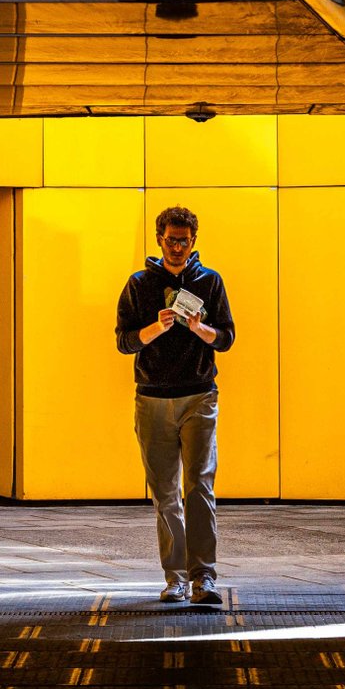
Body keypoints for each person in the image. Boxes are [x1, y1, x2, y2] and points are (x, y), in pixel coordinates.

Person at [116, 205, 235, 606]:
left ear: (194, 242)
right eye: (171, 239)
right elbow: (124, 341)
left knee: (200, 485)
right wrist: (156, 328)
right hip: (152, 398)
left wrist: (201, 327)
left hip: (199, 394)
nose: (178, 247)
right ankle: (176, 578)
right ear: (159, 239)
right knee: (165, 492)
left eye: (184, 240)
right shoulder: (138, 284)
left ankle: (204, 578)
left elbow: (227, 338)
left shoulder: (210, 281)